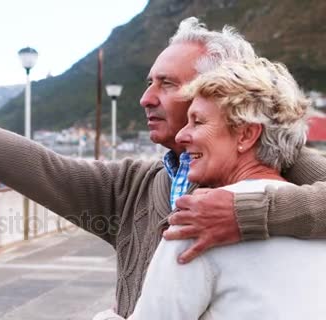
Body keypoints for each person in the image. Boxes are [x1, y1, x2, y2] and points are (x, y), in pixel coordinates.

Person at [0, 18, 326, 318]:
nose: (147, 98)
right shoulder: (136, 186)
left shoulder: (283, 164)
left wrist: (244, 214)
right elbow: (44, 168)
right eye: (149, 82)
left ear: (227, 95)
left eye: (167, 83)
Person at [132, 58, 326, 319]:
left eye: (198, 122)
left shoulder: (202, 221)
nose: (181, 136)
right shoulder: (316, 227)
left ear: (246, 135)